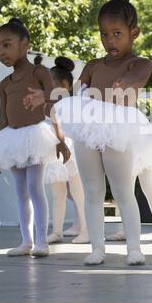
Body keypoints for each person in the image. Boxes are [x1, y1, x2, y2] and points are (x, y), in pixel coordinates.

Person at [23, 0, 152, 266]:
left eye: (117, 33)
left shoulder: (140, 62)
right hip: (89, 129)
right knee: (92, 191)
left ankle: (134, 248)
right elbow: (75, 95)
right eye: (104, 34)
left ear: (134, 32)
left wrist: (125, 82)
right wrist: (46, 96)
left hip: (118, 128)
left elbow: (136, 78)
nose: (109, 40)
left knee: (123, 190)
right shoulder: (92, 65)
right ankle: (97, 248)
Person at [0, 18, 70, 258]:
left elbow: (54, 103)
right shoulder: (4, 84)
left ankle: (42, 240)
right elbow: (3, 119)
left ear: (24, 45)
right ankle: (26, 241)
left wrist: (60, 138)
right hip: (12, 139)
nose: (2, 52)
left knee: (34, 186)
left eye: (7, 45)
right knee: (21, 191)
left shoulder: (38, 71)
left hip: (36, 136)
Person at [45, 56, 89, 244]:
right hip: (53, 148)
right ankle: (57, 231)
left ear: (65, 85)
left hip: (70, 147)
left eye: (51, 84)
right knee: (58, 192)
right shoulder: (48, 104)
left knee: (78, 190)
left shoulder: (72, 104)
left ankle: (86, 230)